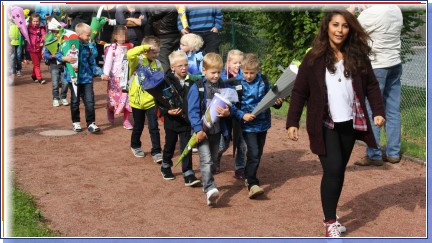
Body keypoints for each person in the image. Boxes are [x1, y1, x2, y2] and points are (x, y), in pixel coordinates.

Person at [286, 9, 385, 237]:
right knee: (332, 170)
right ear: (327, 27)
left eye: (345, 26)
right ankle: (330, 222)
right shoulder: (313, 58)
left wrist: (378, 111)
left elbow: (371, 85)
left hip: (350, 122)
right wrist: (292, 121)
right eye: (335, 25)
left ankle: (330, 216)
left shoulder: (358, 56)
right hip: (324, 123)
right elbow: (300, 91)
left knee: (339, 170)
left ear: (350, 29)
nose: (340, 30)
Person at [347, 5, 404, 166]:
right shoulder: (395, 9)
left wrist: (351, 11)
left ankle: (374, 153)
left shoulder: (368, 15)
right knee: (392, 109)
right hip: (394, 63)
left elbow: (346, 30)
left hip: (376, 66)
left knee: (372, 109)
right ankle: (393, 153)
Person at [230, 53, 283, 198]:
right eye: (245, 72)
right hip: (247, 126)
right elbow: (231, 107)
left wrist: (278, 102)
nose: (248, 76)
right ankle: (252, 183)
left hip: (263, 124)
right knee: (253, 152)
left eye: (252, 73)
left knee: (258, 153)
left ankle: (249, 174)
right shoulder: (237, 84)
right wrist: (243, 115)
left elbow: (273, 98)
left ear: (258, 70)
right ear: (241, 69)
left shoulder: (264, 81)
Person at [186, 53, 232, 206]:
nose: (216, 75)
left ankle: (208, 185)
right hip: (202, 132)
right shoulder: (197, 87)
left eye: (219, 72)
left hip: (217, 131)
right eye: (213, 72)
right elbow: (192, 111)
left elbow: (228, 106)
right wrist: (198, 129)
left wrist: (228, 112)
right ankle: (210, 188)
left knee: (212, 161)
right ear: (204, 70)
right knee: (205, 160)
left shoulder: (223, 86)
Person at [155, 51, 200, 186]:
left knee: (187, 147)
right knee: (170, 145)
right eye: (180, 66)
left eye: (186, 65)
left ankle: (188, 173)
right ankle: (166, 165)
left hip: (187, 121)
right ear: (172, 67)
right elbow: (158, 102)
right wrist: (168, 111)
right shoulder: (165, 81)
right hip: (172, 121)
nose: (184, 68)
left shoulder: (193, 80)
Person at [57, 23, 109, 132]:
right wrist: (64, 58)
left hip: (87, 79)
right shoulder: (69, 44)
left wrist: (101, 73)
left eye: (90, 35)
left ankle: (91, 123)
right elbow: (57, 55)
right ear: (79, 35)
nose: (89, 38)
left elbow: (92, 64)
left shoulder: (88, 48)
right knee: (75, 101)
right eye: (87, 36)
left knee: (90, 102)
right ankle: (76, 122)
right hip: (73, 78)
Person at [127, 36, 163, 163]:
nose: (156, 55)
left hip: (151, 101)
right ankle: (135, 145)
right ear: (146, 51)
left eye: (158, 52)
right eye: (154, 52)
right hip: (136, 102)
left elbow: (161, 81)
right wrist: (145, 47)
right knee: (138, 126)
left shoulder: (158, 64)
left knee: (154, 127)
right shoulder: (137, 61)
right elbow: (130, 53)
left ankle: (157, 151)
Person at [217, 49, 247, 179]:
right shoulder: (222, 77)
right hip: (225, 117)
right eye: (235, 62)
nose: (238, 65)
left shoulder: (246, 77)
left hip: (240, 115)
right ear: (228, 63)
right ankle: (216, 158)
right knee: (223, 145)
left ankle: (239, 168)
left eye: (240, 62)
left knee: (242, 144)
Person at [102, 25, 133, 129]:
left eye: (124, 35)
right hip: (115, 78)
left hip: (127, 78)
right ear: (115, 36)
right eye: (120, 35)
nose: (122, 37)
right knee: (113, 98)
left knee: (127, 99)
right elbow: (108, 63)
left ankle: (126, 120)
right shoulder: (112, 48)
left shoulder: (129, 47)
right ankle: (110, 110)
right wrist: (106, 74)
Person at [147, 4, 182, 72]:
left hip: (165, 37)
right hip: (174, 35)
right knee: (175, 61)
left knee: (164, 63)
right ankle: (175, 81)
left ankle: (165, 81)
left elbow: (152, 13)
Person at [44, 16, 69, 107]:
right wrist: (52, 56)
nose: (56, 34)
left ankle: (63, 96)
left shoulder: (65, 40)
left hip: (63, 64)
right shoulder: (49, 41)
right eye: (54, 32)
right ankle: (55, 98)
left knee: (65, 82)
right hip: (54, 64)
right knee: (55, 83)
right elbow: (45, 55)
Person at [95, 4, 117, 68]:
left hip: (114, 36)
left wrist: (109, 21)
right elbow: (97, 21)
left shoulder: (118, 6)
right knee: (102, 57)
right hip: (103, 36)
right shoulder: (102, 7)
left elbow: (120, 21)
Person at [27, 13, 46, 84]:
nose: (35, 23)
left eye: (37, 21)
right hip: (31, 48)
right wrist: (21, 32)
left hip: (39, 48)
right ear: (31, 21)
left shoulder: (41, 28)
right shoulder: (28, 27)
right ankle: (40, 78)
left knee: (36, 63)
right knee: (37, 64)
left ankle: (33, 76)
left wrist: (42, 41)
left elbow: (44, 35)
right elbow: (24, 34)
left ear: (39, 21)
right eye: (34, 21)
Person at [8, 12, 23, 77]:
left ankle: (19, 70)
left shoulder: (21, 23)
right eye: (11, 16)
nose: (12, 18)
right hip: (11, 43)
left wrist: (21, 31)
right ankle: (13, 70)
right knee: (12, 57)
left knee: (19, 57)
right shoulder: (8, 24)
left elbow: (24, 32)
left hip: (19, 43)